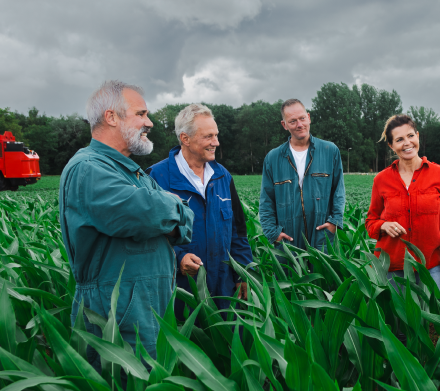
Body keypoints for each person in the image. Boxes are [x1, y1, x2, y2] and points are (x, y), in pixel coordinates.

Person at [59, 80, 194, 362]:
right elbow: (143, 215)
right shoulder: (88, 168)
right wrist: (171, 206)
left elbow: (185, 219)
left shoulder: (134, 173)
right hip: (115, 315)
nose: (150, 122)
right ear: (111, 117)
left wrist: (169, 209)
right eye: (141, 114)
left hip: (148, 309)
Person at [148, 104, 253, 316]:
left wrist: (244, 272)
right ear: (185, 139)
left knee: (227, 344)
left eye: (216, 135)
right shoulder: (157, 178)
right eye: (208, 137)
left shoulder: (223, 176)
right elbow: (149, 235)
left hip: (224, 287)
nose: (216, 142)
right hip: (180, 289)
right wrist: (179, 258)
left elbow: (238, 230)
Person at [365, 114, 440, 318]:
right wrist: (383, 225)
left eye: (410, 136)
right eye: (399, 139)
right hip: (392, 267)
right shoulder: (381, 180)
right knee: (400, 328)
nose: (407, 143)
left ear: (418, 136)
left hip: (431, 265)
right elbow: (370, 222)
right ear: (391, 146)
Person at [259, 99, 345, 252]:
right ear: (284, 125)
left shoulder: (329, 150)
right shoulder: (273, 158)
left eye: (302, 118)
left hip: (322, 236)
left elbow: (339, 190)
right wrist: (273, 233)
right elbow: (266, 200)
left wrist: (335, 222)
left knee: (323, 275)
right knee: (289, 275)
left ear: (309, 117)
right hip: (288, 239)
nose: (299, 125)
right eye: (292, 121)